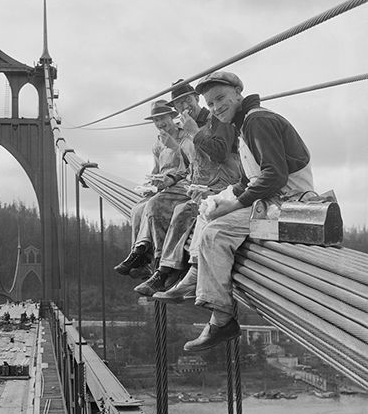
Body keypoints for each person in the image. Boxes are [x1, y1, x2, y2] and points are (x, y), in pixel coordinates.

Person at [181, 71, 314, 352]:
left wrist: (235, 204)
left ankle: (222, 319)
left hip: (287, 203)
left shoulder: (257, 122)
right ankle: (196, 280)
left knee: (215, 234)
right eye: (211, 103)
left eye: (221, 99)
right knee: (209, 213)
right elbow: (247, 180)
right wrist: (218, 197)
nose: (216, 107)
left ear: (238, 94)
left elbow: (274, 176)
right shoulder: (245, 125)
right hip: (272, 199)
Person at [134, 80, 242, 296]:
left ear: (196, 98)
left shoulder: (216, 119)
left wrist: (194, 133)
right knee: (154, 207)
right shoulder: (184, 127)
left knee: (180, 211)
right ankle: (158, 265)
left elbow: (220, 154)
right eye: (179, 104)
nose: (184, 106)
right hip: (199, 187)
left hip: (224, 188)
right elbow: (193, 163)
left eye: (187, 100)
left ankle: (165, 272)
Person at [114, 99, 193, 276]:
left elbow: (192, 167)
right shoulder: (157, 143)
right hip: (163, 187)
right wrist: (150, 183)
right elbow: (156, 169)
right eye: (156, 120)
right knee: (137, 210)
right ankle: (139, 257)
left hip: (181, 185)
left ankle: (153, 256)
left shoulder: (185, 137)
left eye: (163, 118)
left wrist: (174, 147)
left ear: (172, 117)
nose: (160, 124)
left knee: (153, 205)